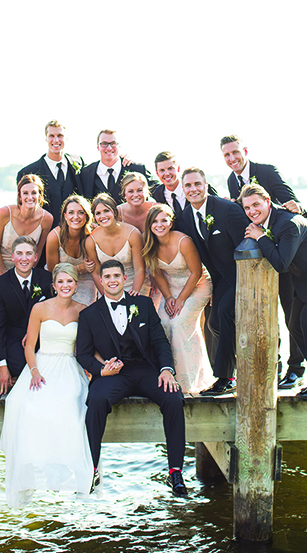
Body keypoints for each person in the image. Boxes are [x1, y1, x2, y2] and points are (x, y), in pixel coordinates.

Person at [76, 259, 187, 496]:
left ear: (124, 279)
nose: (112, 280)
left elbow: (159, 342)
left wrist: (166, 369)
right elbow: (83, 355)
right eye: (107, 277)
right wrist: (101, 370)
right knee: (95, 400)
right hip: (113, 374)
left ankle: (175, 472)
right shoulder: (89, 315)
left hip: (146, 370)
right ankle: (92, 468)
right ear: (101, 281)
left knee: (174, 397)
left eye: (117, 276)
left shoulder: (144, 304)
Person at [239, 182, 307, 400]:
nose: (252, 211)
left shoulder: (288, 223)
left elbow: (281, 264)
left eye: (256, 205)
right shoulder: (267, 221)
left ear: (268, 202)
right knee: (295, 324)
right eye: (247, 208)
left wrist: (261, 237)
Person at [0, 262, 93, 507]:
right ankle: (32, 466)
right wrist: (34, 372)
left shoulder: (83, 311)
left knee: (70, 404)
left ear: (76, 284)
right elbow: (30, 346)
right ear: (53, 285)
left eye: (69, 281)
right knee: (27, 406)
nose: (65, 286)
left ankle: (67, 469)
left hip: (69, 366)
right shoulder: (40, 308)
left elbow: (86, 347)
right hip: (42, 364)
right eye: (60, 282)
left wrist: (93, 369)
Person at [221, 134, 307, 387]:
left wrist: (297, 205)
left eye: (235, 152)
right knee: (268, 314)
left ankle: (296, 368)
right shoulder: (231, 180)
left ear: (244, 150)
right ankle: (274, 365)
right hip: (261, 257)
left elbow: (290, 201)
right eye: (226, 155)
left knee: (292, 314)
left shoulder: (266, 171)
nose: (232, 158)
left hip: (285, 254)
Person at [179, 168, 249, 395]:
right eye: (188, 186)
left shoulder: (228, 210)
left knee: (224, 315)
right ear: (183, 189)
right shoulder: (187, 216)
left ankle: (226, 378)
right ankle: (234, 370)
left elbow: (248, 243)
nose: (193, 189)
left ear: (206, 185)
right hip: (219, 279)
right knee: (214, 324)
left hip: (240, 277)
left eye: (197, 184)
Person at [142, 204, 214, 394]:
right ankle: (167, 376)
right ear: (149, 224)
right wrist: (168, 297)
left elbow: (196, 272)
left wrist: (181, 299)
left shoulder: (183, 241)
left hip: (196, 286)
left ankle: (190, 380)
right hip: (171, 288)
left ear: (171, 222)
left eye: (164, 220)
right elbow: (156, 273)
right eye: (155, 221)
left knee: (179, 323)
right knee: (163, 322)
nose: (159, 225)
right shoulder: (150, 244)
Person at [0, 236, 54, 394]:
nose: (24, 258)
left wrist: (34, 332)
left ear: (35, 257)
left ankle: (20, 380)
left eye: (29, 253)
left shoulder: (47, 279)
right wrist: (2, 366)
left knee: (49, 367)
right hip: (14, 341)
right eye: (19, 253)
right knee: (18, 366)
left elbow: (54, 313)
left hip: (41, 339)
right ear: (12, 256)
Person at [16, 120, 84, 225]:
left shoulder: (78, 162)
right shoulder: (27, 173)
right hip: (44, 234)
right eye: (51, 136)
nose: (56, 140)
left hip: (76, 234)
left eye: (60, 135)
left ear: (66, 138)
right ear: (46, 138)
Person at [0, 174, 53, 276]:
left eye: (34, 193)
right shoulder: (4, 213)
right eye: (25, 193)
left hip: (24, 268)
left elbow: (38, 251)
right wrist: (3, 275)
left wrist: (26, 273)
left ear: (40, 196)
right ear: (20, 196)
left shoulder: (46, 219)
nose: (30, 197)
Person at [90, 193, 149, 297]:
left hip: (135, 285)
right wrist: (106, 296)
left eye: (106, 211)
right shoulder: (91, 240)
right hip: (108, 289)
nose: (103, 216)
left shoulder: (133, 234)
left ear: (114, 211)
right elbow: (96, 273)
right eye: (98, 213)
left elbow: (139, 268)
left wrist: (135, 293)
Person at [45, 194, 98, 306]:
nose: (76, 217)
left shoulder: (93, 234)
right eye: (71, 212)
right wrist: (80, 267)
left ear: (86, 216)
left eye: (80, 212)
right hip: (61, 281)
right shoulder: (54, 237)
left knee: (86, 310)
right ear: (65, 216)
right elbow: (53, 271)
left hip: (86, 279)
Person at [77, 129, 156, 204]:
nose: (109, 148)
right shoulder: (86, 173)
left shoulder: (137, 169)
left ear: (119, 145)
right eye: (104, 144)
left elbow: (157, 190)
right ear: (98, 146)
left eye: (113, 143)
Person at [152, 151, 217, 219]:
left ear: (178, 168)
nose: (167, 173)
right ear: (157, 173)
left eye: (170, 168)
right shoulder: (156, 195)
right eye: (162, 170)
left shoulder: (201, 187)